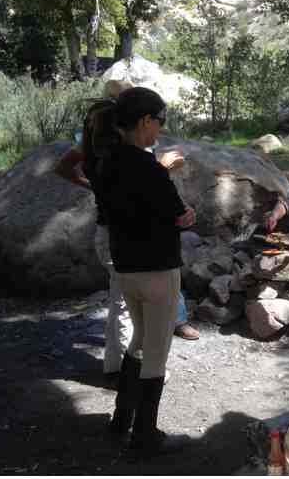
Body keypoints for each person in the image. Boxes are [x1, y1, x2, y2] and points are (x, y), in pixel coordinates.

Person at [54, 81, 199, 388]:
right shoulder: (122, 155)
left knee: (122, 300)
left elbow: (127, 189)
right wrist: (161, 170)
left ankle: (117, 367)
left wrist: (94, 186)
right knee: (128, 308)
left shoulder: (102, 153)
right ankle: (127, 375)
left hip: (114, 233)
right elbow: (156, 199)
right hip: (131, 241)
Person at [93, 86, 194, 456]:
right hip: (157, 268)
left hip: (126, 267)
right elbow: (176, 214)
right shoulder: (147, 167)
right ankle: (145, 435)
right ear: (145, 121)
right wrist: (186, 216)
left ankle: (122, 419)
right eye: (159, 122)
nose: (160, 131)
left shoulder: (106, 160)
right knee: (157, 350)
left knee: (138, 340)